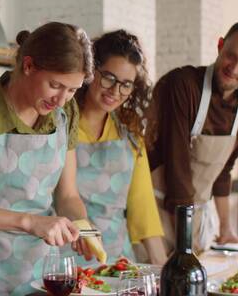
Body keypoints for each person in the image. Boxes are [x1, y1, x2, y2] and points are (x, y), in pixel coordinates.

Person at [0, 22, 96, 295]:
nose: (61, 100)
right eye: (55, 85)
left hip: (43, 276)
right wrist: (28, 221)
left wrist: (83, 227)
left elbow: (68, 195)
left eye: (73, 90)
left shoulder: (66, 113)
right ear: (28, 66)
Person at [147, 21, 238, 254]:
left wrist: (226, 229)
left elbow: (224, 170)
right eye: (231, 56)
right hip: (157, 217)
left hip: (197, 221)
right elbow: (178, 167)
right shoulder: (182, 85)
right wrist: (185, 248)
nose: (235, 69)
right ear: (220, 45)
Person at [71, 29, 166, 265]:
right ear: (92, 70)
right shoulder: (62, 119)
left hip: (116, 259)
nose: (115, 91)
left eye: (126, 85)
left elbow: (142, 205)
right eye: (109, 78)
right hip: (67, 254)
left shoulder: (129, 128)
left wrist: (164, 268)